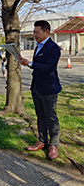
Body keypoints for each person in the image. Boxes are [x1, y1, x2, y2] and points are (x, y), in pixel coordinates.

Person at [18, 20, 62, 160]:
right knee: (40, 115)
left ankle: (54, 145)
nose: (34, 35)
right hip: (36, 87)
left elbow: (49, 68)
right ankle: (42, 141)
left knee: (50, 116)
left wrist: (29, 63)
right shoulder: (38, 47)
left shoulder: (53, 48)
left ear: (46, 32)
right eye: (34, 32)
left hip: (49, 88)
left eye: (37, 32)